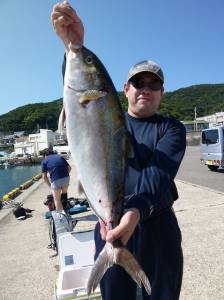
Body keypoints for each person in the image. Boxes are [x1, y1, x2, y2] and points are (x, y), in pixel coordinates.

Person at [51, 2, 186, 299]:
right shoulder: (106, 117)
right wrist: (72, 49)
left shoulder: (171, 129)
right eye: (139, 83)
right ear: (125, 89)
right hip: (108, 227)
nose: (145, 89)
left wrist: (135, 211)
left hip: (157, 230)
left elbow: (157, 174)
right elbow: (82, 96)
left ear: (162, 93)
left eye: (154, 84)